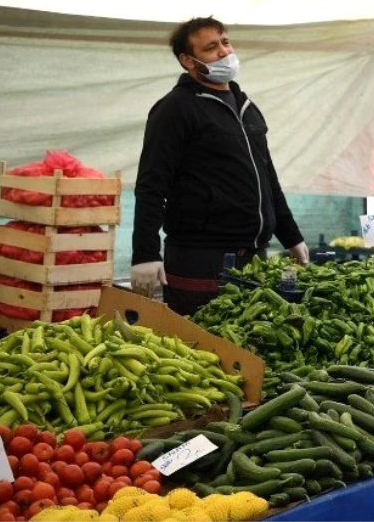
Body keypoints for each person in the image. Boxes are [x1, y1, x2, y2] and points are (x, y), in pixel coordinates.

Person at [131, 17, 309, 315]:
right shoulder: (176, 109)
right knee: (201, 346)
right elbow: (151, 184)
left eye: (225, 42)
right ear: (188, 60)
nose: (224, 52)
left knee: (247, 345)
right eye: (211, 47)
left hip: (254, 258)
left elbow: (267, 178)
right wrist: (145, 253)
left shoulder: (246, 106)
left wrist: (291, 236)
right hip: (201, 260)